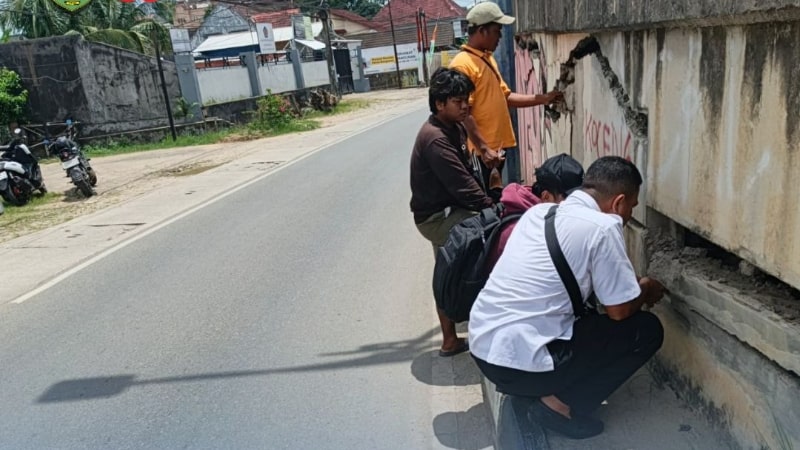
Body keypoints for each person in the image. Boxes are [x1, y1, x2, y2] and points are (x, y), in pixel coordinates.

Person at [469, 156, 667, 439]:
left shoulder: (539, 214)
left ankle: (545, 388)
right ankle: (560, 406)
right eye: (632, 207)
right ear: (619, 203)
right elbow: (619, 312)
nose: (628, 215)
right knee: (647, 330)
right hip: (517, 365)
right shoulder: (604, 227)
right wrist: (646, 289)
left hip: (484, 349)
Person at [410, 67, 496, 357]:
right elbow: (462, 184)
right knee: (489, 241)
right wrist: (494, 210)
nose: (465, 106)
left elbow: (468, 174)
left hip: (447, 209)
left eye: (466, 100)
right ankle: (489, 326)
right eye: (458, 101)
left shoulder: (453, 127)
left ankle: (450, 339)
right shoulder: (435, 139)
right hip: (436, 217)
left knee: (446, 272)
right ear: (439, 104)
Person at [449, 1, 563, 187]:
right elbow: (464, 113)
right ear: (482, 31)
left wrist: (543, 98)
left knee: (496, 198)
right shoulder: (463, 64)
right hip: (482, 152)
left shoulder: (486, 59)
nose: (500, 36)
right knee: (486, 202)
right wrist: (484, 148)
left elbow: (506, 97)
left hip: (497, 149)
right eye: (496, 30)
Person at [484, 153, 584, 272]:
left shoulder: (535, 216)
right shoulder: (523, 230)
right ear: (546, 197)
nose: (576, 204)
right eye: (569, 198)